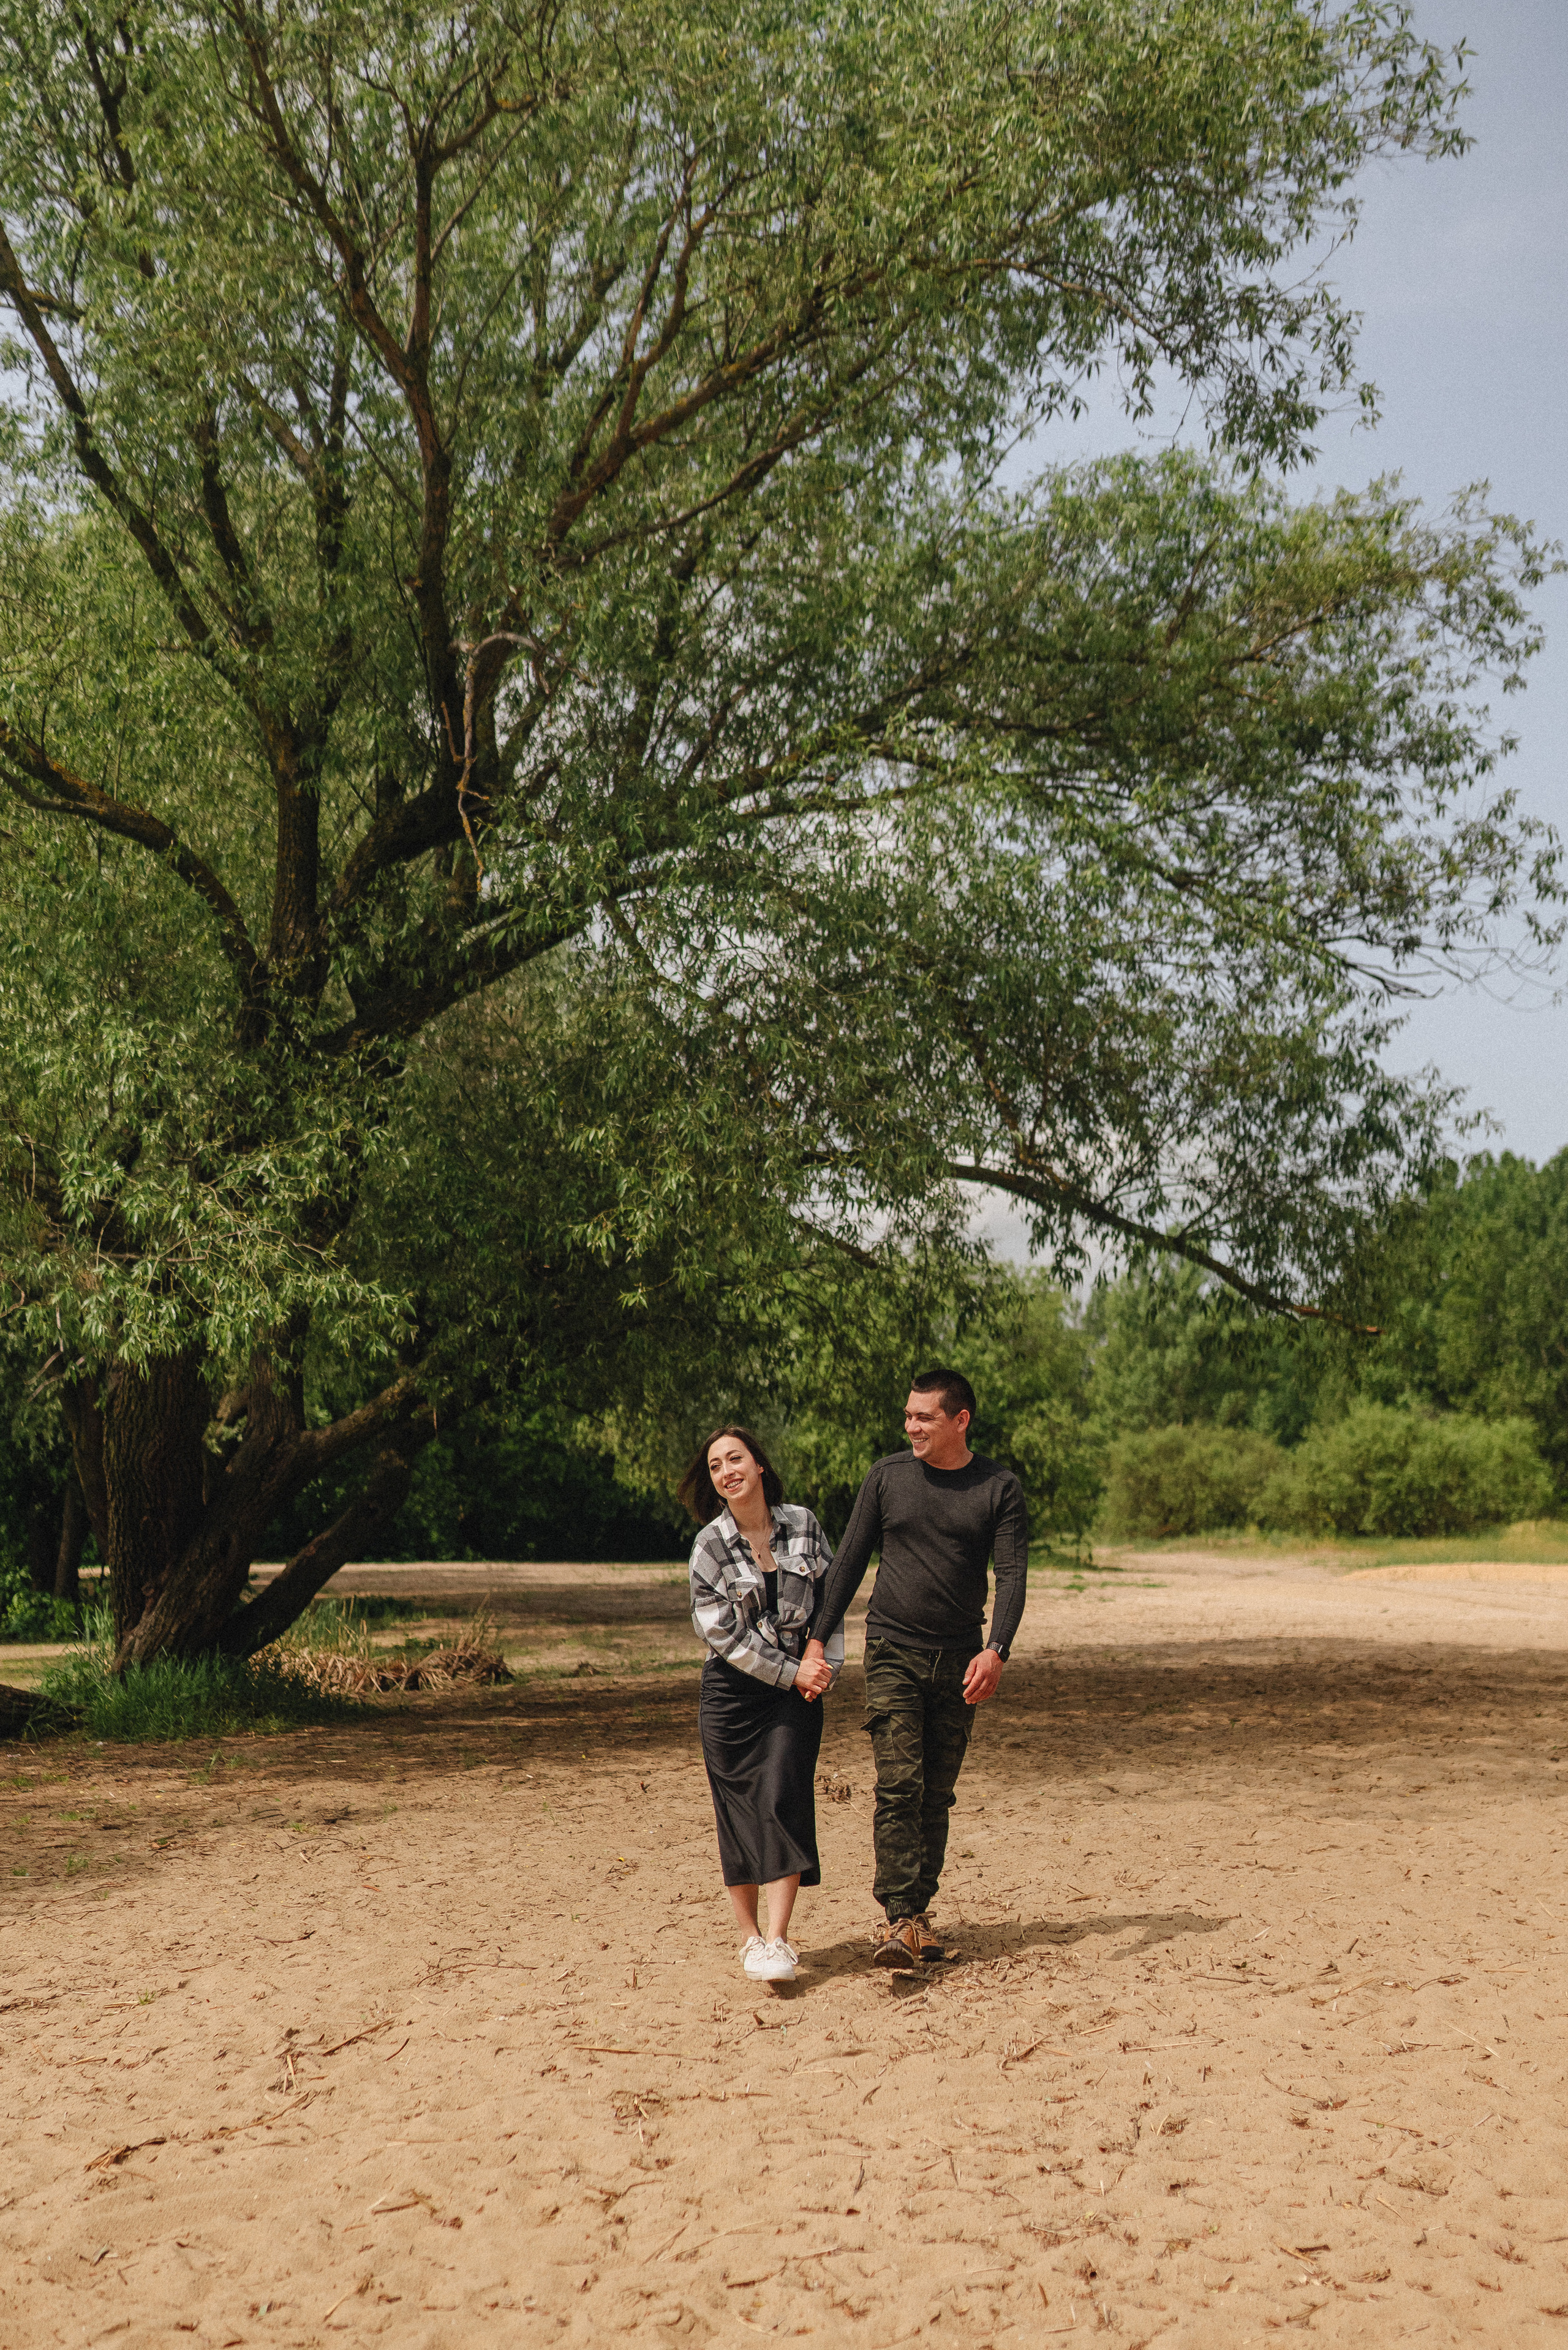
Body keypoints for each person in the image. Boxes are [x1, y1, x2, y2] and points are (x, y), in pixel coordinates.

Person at [803, 1368, 1027, 1970]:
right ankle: (898, 1915)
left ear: (961, 1420)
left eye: (924, 1417)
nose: (911, 1426)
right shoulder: (887, 1477)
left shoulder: (999, 1487)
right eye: (908, 1415)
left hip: (961, 1658)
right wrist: (817, 1641)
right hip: (892, 1651)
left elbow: (1012, 1575)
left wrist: (997, 1649)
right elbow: (848, 1563)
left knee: (936, 1792)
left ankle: (918, 1915)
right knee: (900, 1783)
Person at [682, 1426, 843, 1985]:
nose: (727, 1471)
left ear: (759, 1465)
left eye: (736, 1458)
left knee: (782, 1797)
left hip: (796, 1692)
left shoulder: (804, 1524)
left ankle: (778, 1939)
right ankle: (750, 1937)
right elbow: (722, 1635)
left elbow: (831, 1600)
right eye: (716, 1466)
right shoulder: (708, 1546)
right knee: (738, 1811)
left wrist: (823, 1666)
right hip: (731, 1696)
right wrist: (793, 1669)